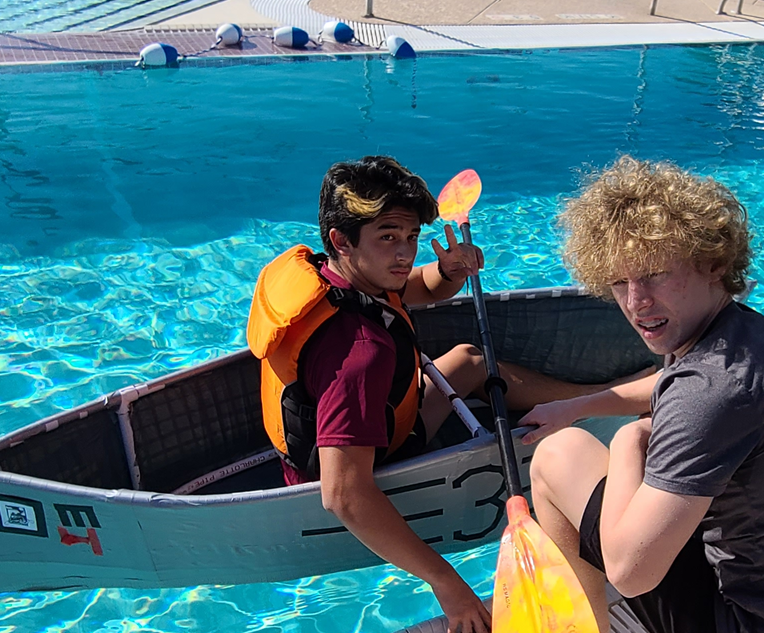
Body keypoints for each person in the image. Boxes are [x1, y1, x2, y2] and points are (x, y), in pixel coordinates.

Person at [247, 156, 619, 633]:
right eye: (388, 238)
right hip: (369, 459)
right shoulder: (359, 356)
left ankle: (593, 398)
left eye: (410, 238)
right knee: (465, 366)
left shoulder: (329, 273)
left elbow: (414, 289)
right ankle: (605, 402)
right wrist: (447, 582)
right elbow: (343, 495)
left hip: (355, 425)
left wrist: (446, 273)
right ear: (342, 240)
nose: (405, 255)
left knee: (466, 360)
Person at [521, 156, 764, 633]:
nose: (636, 302)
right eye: (619, 281)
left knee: (559, 455)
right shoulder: (738, 334)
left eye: (653, 274)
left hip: (746, 623)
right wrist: (579, 405)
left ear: (713, 263)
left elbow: (630, 573)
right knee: (581, 441)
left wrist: (628, 440)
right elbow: (668, 384)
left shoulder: (710, 391)